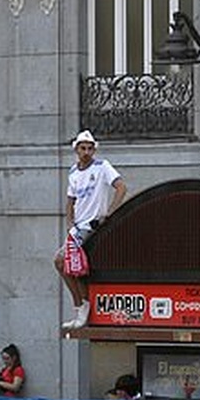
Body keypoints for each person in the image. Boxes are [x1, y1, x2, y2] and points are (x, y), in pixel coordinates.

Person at [56, 130, 127, 330]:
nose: (86, 152)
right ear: (76, 150)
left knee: (63, 260)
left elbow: (121, 187)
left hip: (92, 225)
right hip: (78, 227)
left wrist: (109, 213)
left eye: (90, 148)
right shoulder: (73, 172)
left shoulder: (102, 167)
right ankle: (80, 305)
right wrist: (69, 223)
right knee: (65, 263)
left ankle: (82, 306)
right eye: (83, 148)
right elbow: (70, 201)